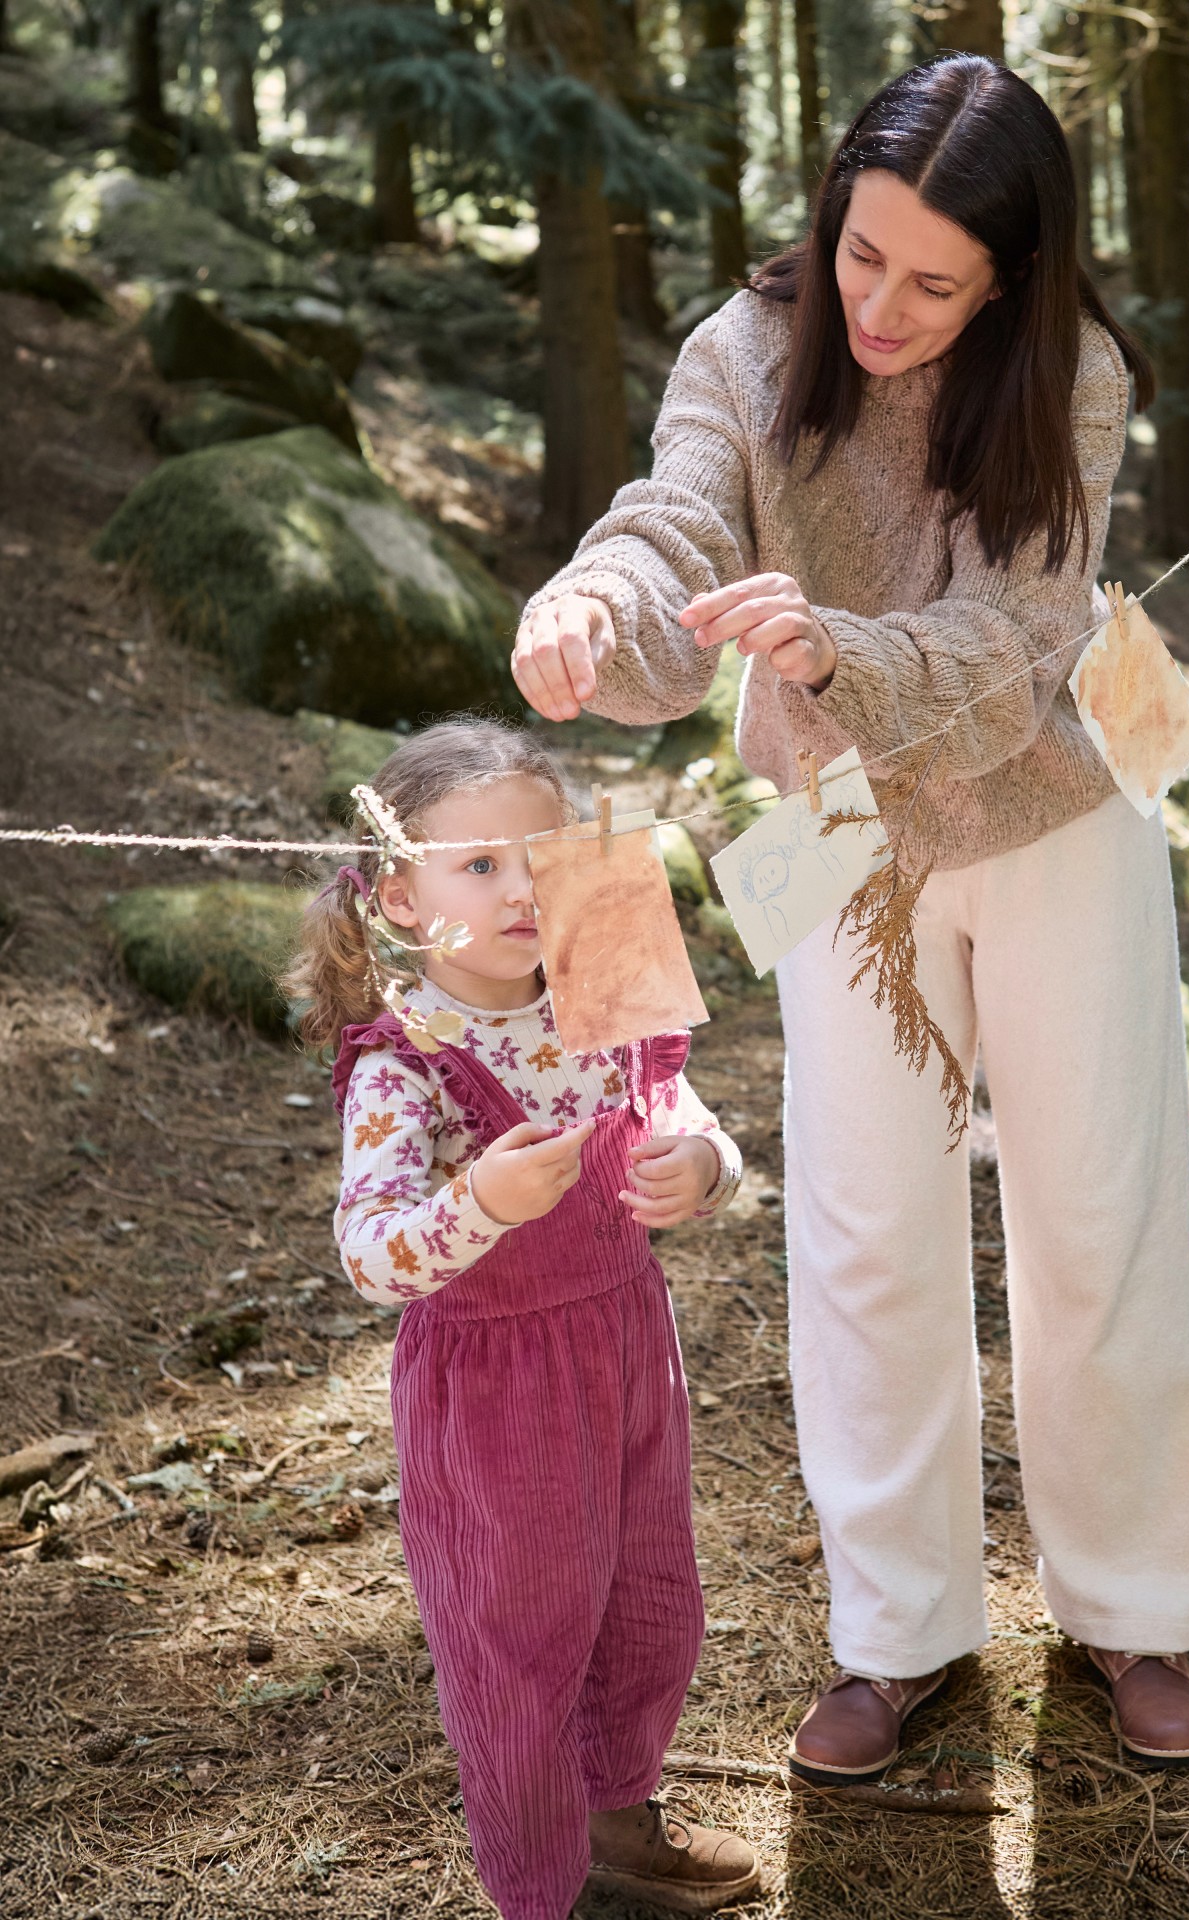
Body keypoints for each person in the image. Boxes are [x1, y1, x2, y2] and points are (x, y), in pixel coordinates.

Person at [511, 55, 1189, 1784]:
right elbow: (676, 522)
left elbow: (1021, 631)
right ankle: (895, 1633)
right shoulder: (745, 351)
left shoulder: (1075, 374)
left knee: (1097, 1215)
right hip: (841, 835)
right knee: (861, 1229)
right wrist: (601, 605)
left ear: (1014, 278)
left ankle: (1134, 1609)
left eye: (935, 281)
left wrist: (840, 648)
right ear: (829, 215)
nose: (884, 307)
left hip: (1054, 816)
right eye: (861, 257)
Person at [286, 718, 760, 1920]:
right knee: (520, 1638)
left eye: (537, 858)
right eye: (479, 864)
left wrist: (703, 1162)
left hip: (626, 1350)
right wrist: (478, 1201)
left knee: (648, 1596)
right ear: (400, 895)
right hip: (497, 1390)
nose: (519, 890)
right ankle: (542, 1890)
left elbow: (689, 1106)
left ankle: (619, 1820)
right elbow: (371, 1252)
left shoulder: (601, 986)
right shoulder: (410, 1065)